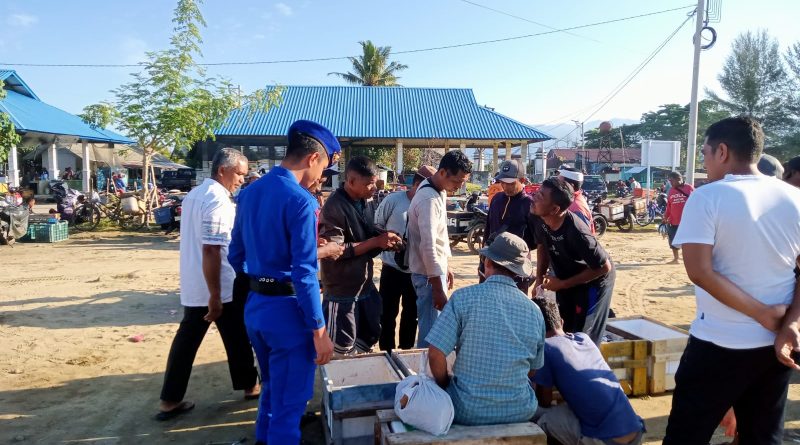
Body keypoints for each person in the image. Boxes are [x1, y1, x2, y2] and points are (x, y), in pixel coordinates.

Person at [662, 116, 800, 445]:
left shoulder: (708, 197)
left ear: (722, 151)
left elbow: (699, 271)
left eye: (706, 153)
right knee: (762, 436)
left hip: (718, 344)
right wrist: (791, 324)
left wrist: (760, 313)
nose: (704, 162)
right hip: (775, 346)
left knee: (686, 435)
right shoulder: (794, 198)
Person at [229, 120, 339, 445]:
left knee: (273, 391)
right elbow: (304, 272)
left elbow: (235, 255)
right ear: (313, 159)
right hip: (289, 316)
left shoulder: (248, 193)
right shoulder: (301, 201)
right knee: (290, 409)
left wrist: (262, 275)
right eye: (324, 169)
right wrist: (319, 331)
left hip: (256, 308)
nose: (321, 179)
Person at [156, 148, 259, 421]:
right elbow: (212, 249)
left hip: (198, 281)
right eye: (239, 174)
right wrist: (214, 294)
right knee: (232, 336)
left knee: (204, 339)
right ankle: (249, 385)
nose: (241, 180)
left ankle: (171, 398)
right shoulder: (216, 199)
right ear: (223, 170)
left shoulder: (195, 195)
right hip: (218, 284)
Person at [427, 232, 545, 426]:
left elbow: (435, 354)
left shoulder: (462, 298)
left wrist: (446, 384)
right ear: (518, 272)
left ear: (487, 263)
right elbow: (533, 369)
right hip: (520, 409)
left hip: (466, 410)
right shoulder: (534, 310)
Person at [531, 298, 645, 445]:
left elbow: (544, 401)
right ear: (562, 321)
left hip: (607, 439)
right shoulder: (583, 338)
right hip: (635, 430)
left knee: (543, 421)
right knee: (566, 410)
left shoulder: (547, 348)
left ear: (535, 329)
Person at [318, 156, 402, 355]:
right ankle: (342, 384)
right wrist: (375, 242)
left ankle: (361, 378)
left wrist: (385, 240)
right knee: (342, 347)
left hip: (363, 284)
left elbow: (368, 232)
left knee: (370, 334)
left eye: (375, 183)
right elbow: (334, 251)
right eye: (369, 184)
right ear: (351, 181)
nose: (373, 188)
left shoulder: (366, 201)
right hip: (342, 289)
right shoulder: (333, 207)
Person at [530, 177, 615, 345]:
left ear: (554, 209)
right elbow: (543, 246)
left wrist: (563, 285)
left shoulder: (577, 233)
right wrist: (539, 279)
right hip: (567, 277)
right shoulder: (538, 216)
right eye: (538, 192)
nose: (534, 197)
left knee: (583, 336)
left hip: (594, 280)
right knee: (564, 325)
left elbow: (604, 267)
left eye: (541, 196)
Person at [407, 150, 472, 347]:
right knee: (431, 332)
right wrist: (437, 287)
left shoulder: (437, 190)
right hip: (428, 277)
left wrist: (446, 266)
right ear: (443, 172)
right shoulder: (428, 199)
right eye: (457, 181)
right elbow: (428, 246)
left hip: (434, 272)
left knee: (433, 327)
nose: (459, 186)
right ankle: (425, 375)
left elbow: (440, 237)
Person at [374, 165, 435, 351]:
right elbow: (376, 225)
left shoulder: (430, 203)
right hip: (392, 268)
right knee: (387, 313)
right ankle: (387, 352)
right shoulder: (394, 200)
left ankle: (407, 352)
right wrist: (389, 236)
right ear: (416, 184)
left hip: (416, 271)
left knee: (412, 314)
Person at [480, 159, 537, 292]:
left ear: (522, 180)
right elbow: (488, 229)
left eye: (510, 183)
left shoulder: (529, 204)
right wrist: (483, 261)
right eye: (502, 182)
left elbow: (537, 240)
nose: (505, 186)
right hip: (491, 264)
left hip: (516, 267)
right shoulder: (496, 199)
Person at [662, 171, 694, 264]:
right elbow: (669, 206)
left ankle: (687, 259)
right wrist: (665, 216)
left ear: (679, 179)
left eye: (672, 181)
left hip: (687, 222)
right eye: (669, 181)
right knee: (672, 240)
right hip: (673, 221)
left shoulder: (689, 188)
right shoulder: (671, 190)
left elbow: (696, 202)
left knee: (687, 242)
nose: (670, 183)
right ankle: (676, 259)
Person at [558, 166, 594, 234]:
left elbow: (584, 239)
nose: (557, 185)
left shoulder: (577, 208)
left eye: (560, 182)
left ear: (571, 185)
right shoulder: (567, 200)